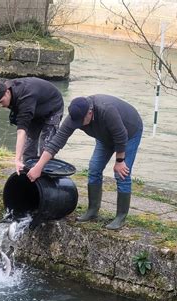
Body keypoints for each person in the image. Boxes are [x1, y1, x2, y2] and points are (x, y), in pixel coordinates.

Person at [27, 95, 143, 230]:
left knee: (121, 173)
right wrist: (38, 166)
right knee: (94, 168)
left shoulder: (107, 111)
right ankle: (92, 211)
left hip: (130, 132)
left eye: (81, 121)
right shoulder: (75, 117)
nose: (79, 125)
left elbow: (121, 136)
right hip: (104, 135)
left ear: (90, 112)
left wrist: (119, 161)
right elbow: (57, 141)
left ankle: (120, 216)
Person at [0, 77, 64, 174]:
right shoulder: (4, 88)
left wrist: (17, 160)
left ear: (7, 92)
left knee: (46, 148)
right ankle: (27, 172)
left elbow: (21, 132)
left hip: (53, 107)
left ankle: (44, 175)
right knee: (29, 145)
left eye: (1, 102)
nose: (0, 106)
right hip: (35, 108)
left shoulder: (25, 98)